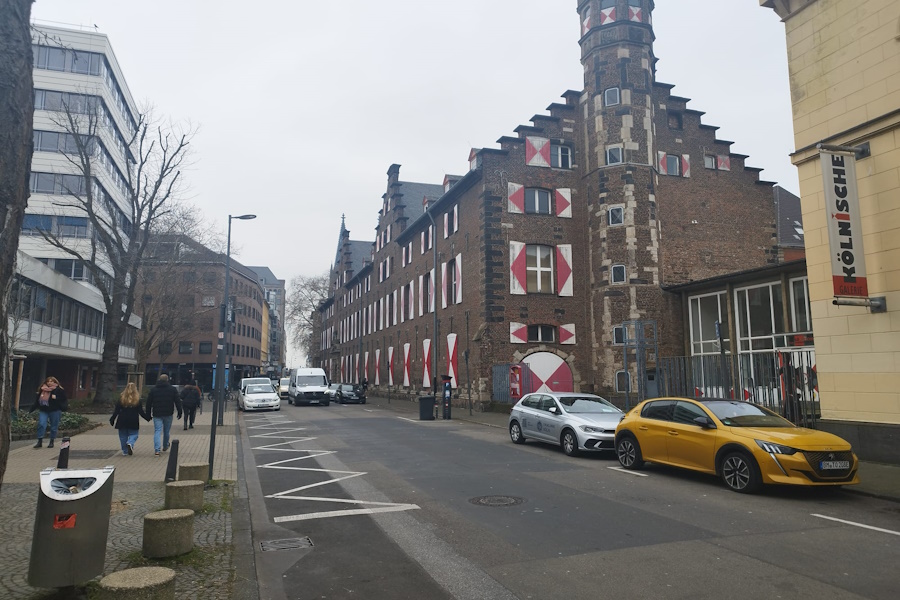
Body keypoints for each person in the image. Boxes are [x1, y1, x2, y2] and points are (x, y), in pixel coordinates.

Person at [144, 374, 182, 456]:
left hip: (157, 413)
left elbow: (148, 403)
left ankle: (157, 450)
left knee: (157, 431)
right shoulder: (172, 389)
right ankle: (165, 445)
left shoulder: (154, 390)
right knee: (166, 431)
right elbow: (177, 401)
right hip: (168, 413)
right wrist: (180, 411)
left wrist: (148, 414)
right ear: (167, 380)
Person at [110, 382, 149, 456]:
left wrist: (112, 419)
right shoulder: (137, 399)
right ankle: (130, 442)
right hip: (133, 419)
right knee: (134, 434)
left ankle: (125, 451)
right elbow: (141, 411)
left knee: (123, 436)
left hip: (122, 419)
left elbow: (117, 410)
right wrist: (147, 418)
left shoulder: (121, 398)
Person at [30, 376, 68, 449]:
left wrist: (56, 398)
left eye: (51, 381)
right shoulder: (42, 389)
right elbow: (37, 401)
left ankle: (51, 441)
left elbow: (64, 399)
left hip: (55, 410)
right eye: (48, 381)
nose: (50, 383)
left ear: (55, 382)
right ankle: (40, 441)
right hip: (44, 410)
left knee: (54, 426)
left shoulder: (59, 390)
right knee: (41, 424)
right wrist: (32, 409)